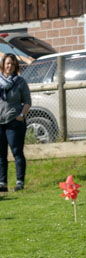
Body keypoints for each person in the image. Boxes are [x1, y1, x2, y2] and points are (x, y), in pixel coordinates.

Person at [0, 53, 31, 192]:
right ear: (3, 64)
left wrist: (21, 115)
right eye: (7, 63)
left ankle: (20, 182)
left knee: (17, 152)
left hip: (14, 122)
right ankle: (2, 184)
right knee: (1, 154)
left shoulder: (20, 81)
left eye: (12, 64)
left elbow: (27, 101)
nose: (10, 66)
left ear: (15, 66)